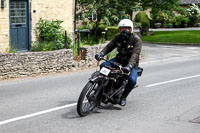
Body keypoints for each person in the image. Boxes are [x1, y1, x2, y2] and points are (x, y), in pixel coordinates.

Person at [95, 19, 142, 106]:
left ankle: (123, 96)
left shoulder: (136, 40)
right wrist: (101, 53)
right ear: (119, 29)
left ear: (131, 29)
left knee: (132, 80)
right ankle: (102, 88)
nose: (124, 30)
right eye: (122, 28)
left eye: (127, 28)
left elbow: (135, 54)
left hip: (131, 64)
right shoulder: (118, 37)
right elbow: (109, 46)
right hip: (119, 59)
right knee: (103, 65)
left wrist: (129, 66)